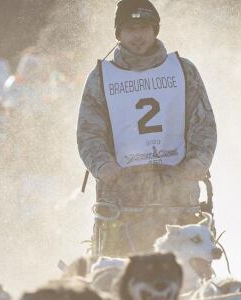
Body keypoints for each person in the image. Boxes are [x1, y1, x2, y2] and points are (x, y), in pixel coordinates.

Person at [76, 0, 216, 257]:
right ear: (119, 33)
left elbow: (203, 124)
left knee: (188, 274)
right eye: (130, 28)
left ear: (155, 29)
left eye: (144, 27)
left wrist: (197, 162)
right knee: (120, 276)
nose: (138, 35)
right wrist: (104, 167)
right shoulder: (101, 77)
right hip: (122, 197)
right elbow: (89, 133)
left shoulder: (183, 71)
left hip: (178, 195)